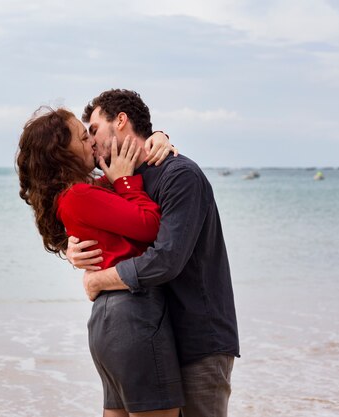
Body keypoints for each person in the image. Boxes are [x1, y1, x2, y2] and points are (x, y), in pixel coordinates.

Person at [67, 89, 240, 417]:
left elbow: (166, 260)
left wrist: (97, 282)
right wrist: (71, 247)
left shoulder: (180, 175)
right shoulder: (118, 180)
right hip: (150, 337)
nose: (91, 141)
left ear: (120, 121)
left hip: (196, 339)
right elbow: (83, 214)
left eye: (94, 130)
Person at [17, 107, 183, 417]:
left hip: (109, 319)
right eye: (84, 137)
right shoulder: (79, 195)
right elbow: (151, 226)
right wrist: (127, 181)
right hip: (134, 313)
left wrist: (158, 136)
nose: (93, 141)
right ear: (62, 153)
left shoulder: (86, 190)